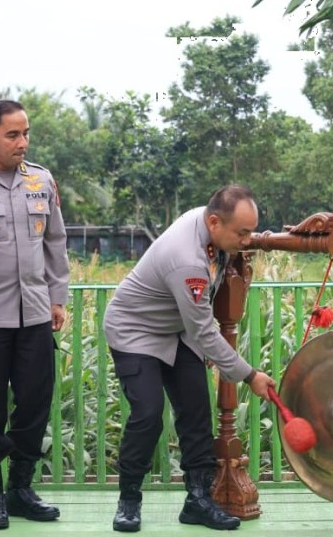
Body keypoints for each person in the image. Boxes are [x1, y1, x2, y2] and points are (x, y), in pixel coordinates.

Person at [103, 185, 277, 532]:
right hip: (135, 331)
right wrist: (249, 375)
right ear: (214, 221)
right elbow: (203, 332)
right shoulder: (188, 260)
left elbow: (196, 325)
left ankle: (198, 501)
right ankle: (129, 500)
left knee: (197, 411)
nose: (247, 241)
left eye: (251, 232)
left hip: (176, 328)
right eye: (241, 234)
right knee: (148, 413)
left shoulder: (209, 224)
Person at [0, 100, 69, 529]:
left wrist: (57, 297)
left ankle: (20, 489)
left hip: (36, 313)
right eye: (12, 135)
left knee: (35, 403)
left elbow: (55, 242)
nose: (22, 142)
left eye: (25, 134)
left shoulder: (41, 180)